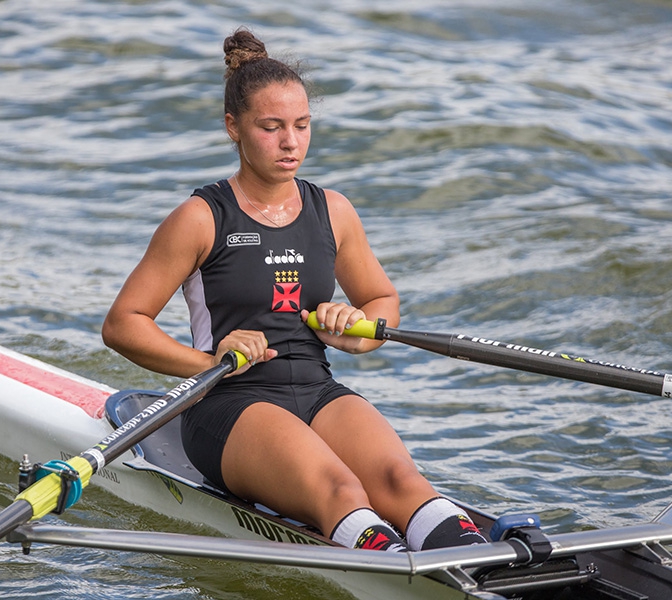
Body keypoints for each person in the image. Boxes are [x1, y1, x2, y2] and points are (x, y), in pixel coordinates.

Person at [102, 28, 486, 553]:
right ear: (233, 128)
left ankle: (481, 564)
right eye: (272, 127)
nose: (290, 142)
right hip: (230, 402)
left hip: (316, 387)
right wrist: (212, 358)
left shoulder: (333, 210)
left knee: (402, 482)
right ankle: (399, 569)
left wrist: (358, 332)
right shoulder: (200, 218)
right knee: (342, 489)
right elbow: (123, 323)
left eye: (302, 126)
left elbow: (382, 303)